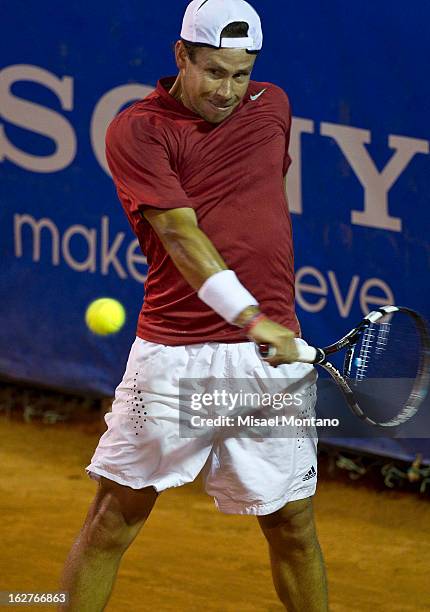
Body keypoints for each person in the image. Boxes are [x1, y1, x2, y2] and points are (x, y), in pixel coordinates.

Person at [59, 0, 328, 610]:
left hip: (269, 361)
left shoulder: (274, 106)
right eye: (213, 72)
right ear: (180, 54)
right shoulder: (139, 129)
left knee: (292, 524)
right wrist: (250, 316)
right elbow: (180, 233)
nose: (228, 90)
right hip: (175, 357)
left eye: (241, 73)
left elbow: (251, 212)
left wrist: (268, 325)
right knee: (113, 521)